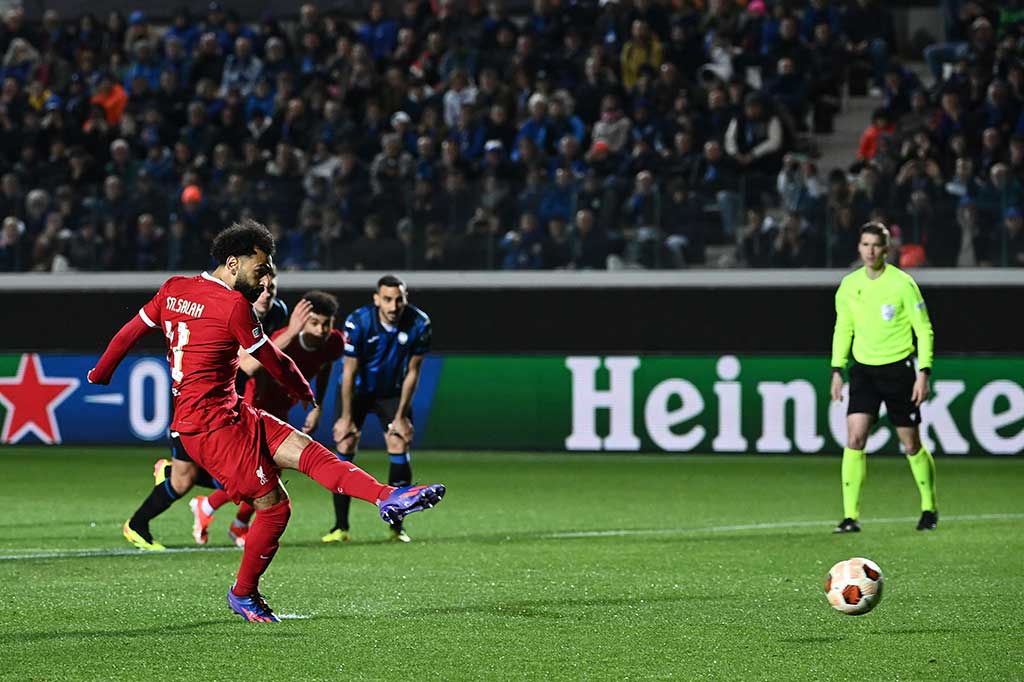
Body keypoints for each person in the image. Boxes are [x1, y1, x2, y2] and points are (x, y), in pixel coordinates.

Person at [90, 220, 445, 621]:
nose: (265, 282)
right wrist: (303, 390)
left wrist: (101, 373)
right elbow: (274, 361)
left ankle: (387, 497)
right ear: (231, 263)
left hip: (234, 412)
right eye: (260, 271)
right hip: (210, 428)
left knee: (307, 451)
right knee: (275, 507)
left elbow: (127, 334)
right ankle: (242, 594)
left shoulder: (174, 289)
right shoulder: (232, 306)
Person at [121, 268, 293, 551]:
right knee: (189, 480)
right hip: (196, 404)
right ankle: (138, 524)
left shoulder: (276, 313)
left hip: (230, 409)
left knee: (254, 472)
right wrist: (293, 334)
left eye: (271, 289)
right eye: (260, 287)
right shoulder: (230, 306)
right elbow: (248, 365)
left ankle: (212, 513)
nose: (265, 293)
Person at [189, 290, 345, 545]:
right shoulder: (282, 338)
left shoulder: (334, 343)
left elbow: (324, 367)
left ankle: (221, 514)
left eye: (326, 324)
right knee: (257, 473)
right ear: (302, 320)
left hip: (282, 407)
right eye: (314, 322)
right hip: (256, 403)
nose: (320, 330)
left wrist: (318, 405)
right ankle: (215, 511)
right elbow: (254, 364)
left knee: (271, 473)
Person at [829, 221, 937, 534]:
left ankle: (928, 508)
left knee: (911, 444)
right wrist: (837, 370)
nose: (870, 251)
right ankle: (850, 516)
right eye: (865, 245)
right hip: (863, 370)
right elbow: (843, 329)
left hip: (898, 370)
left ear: (886, 249)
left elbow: (923, 329)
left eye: (876, 245)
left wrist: (923, 372)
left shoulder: (903, 284)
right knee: (855, 438)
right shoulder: (849, 285)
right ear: (859, 247)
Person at [325, 274, 431, 544]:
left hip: (392, 393)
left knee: (399, 443)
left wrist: (401, 416)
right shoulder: (359, 321)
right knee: (345, 446)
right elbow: (348, 371)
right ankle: (340, 528)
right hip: (357, 391)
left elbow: (413, 371)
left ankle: (397, 528)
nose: (394, 306)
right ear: (376, 300)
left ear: (405, 299)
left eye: (399, 300)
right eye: (387, 299)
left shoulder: (419, 323)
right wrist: (346, 418)